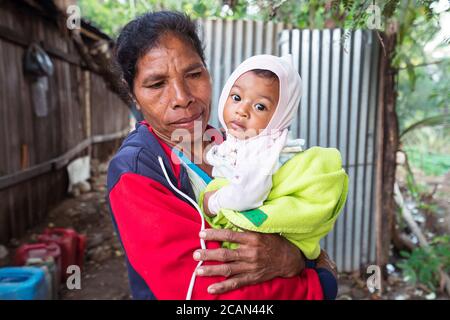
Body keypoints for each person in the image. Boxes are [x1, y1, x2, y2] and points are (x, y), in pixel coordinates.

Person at [108, 10, 338, 300]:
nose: (182, 97)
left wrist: (293, 254)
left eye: (193, 74)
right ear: (133, 96)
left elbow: (292, 217)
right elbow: (208, 292)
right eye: (157, 84)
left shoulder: (230, 145)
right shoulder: (136, 170)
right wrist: (320, 284)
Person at [200, 54, 348, 262]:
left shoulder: (264, 150)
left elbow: (248, 193)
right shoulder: (241, 141)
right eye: (236, 97)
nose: (242, 110)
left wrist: (212, 203)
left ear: (281, 115)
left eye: (260, 106)